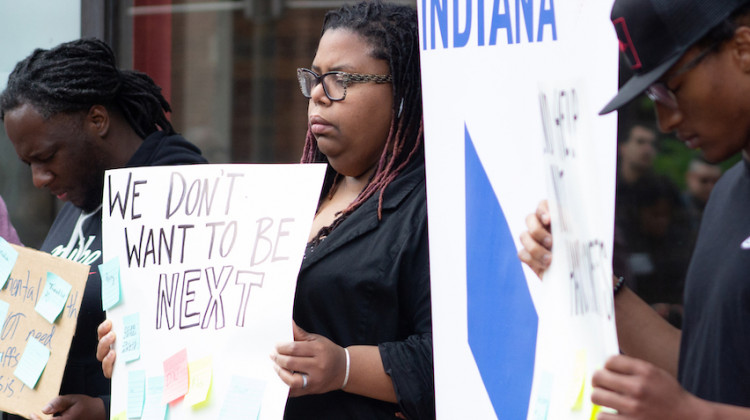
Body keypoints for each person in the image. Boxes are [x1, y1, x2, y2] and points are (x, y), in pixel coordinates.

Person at [98, 2, 434, 419]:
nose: (317, 94)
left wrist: (344, 367)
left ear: (402, 91)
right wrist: (141, 346)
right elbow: (215, 321)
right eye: (314, 78)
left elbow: (448, 360)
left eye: (341, 80)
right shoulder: (283, 201)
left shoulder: (427, 209)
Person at [519, 0, 750, 418]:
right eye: (650, 95)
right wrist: (587, 275)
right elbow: (706, 371)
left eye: (669, 89)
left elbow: (700, 406)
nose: (664, 121)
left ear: (743, 49)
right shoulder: (728, 194)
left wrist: (692, 414)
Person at [0, 38, 207, 420]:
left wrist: (105, 411)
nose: (38, 179)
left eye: (45, 157)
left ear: (97, 120)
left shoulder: (178, 193)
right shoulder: (81, 196)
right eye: (28, 163)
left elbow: (207, 356)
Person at [683, 156, 722, 231]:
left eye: (715, 181)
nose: (710, 187)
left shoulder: (722, 207)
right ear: (689, 177)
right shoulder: (678, 207)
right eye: (704, 180)